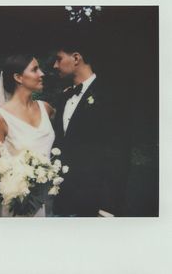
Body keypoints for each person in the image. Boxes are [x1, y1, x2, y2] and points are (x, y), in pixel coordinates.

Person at [52, 37, 127, 217]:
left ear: (76, 58)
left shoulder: (109, 96)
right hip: (61, 199)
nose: (55, 65)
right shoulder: (63, 97)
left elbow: (119, 152)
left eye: (59, 59)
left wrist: (108, 206)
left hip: (92, 202)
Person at [0, 53, 55, 217]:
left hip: (42, 199)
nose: (42, 73)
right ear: (18, 77)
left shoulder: (46, 108)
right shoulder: (0, 117)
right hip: (14, 205)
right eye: (35, 69)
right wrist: (17, 192)